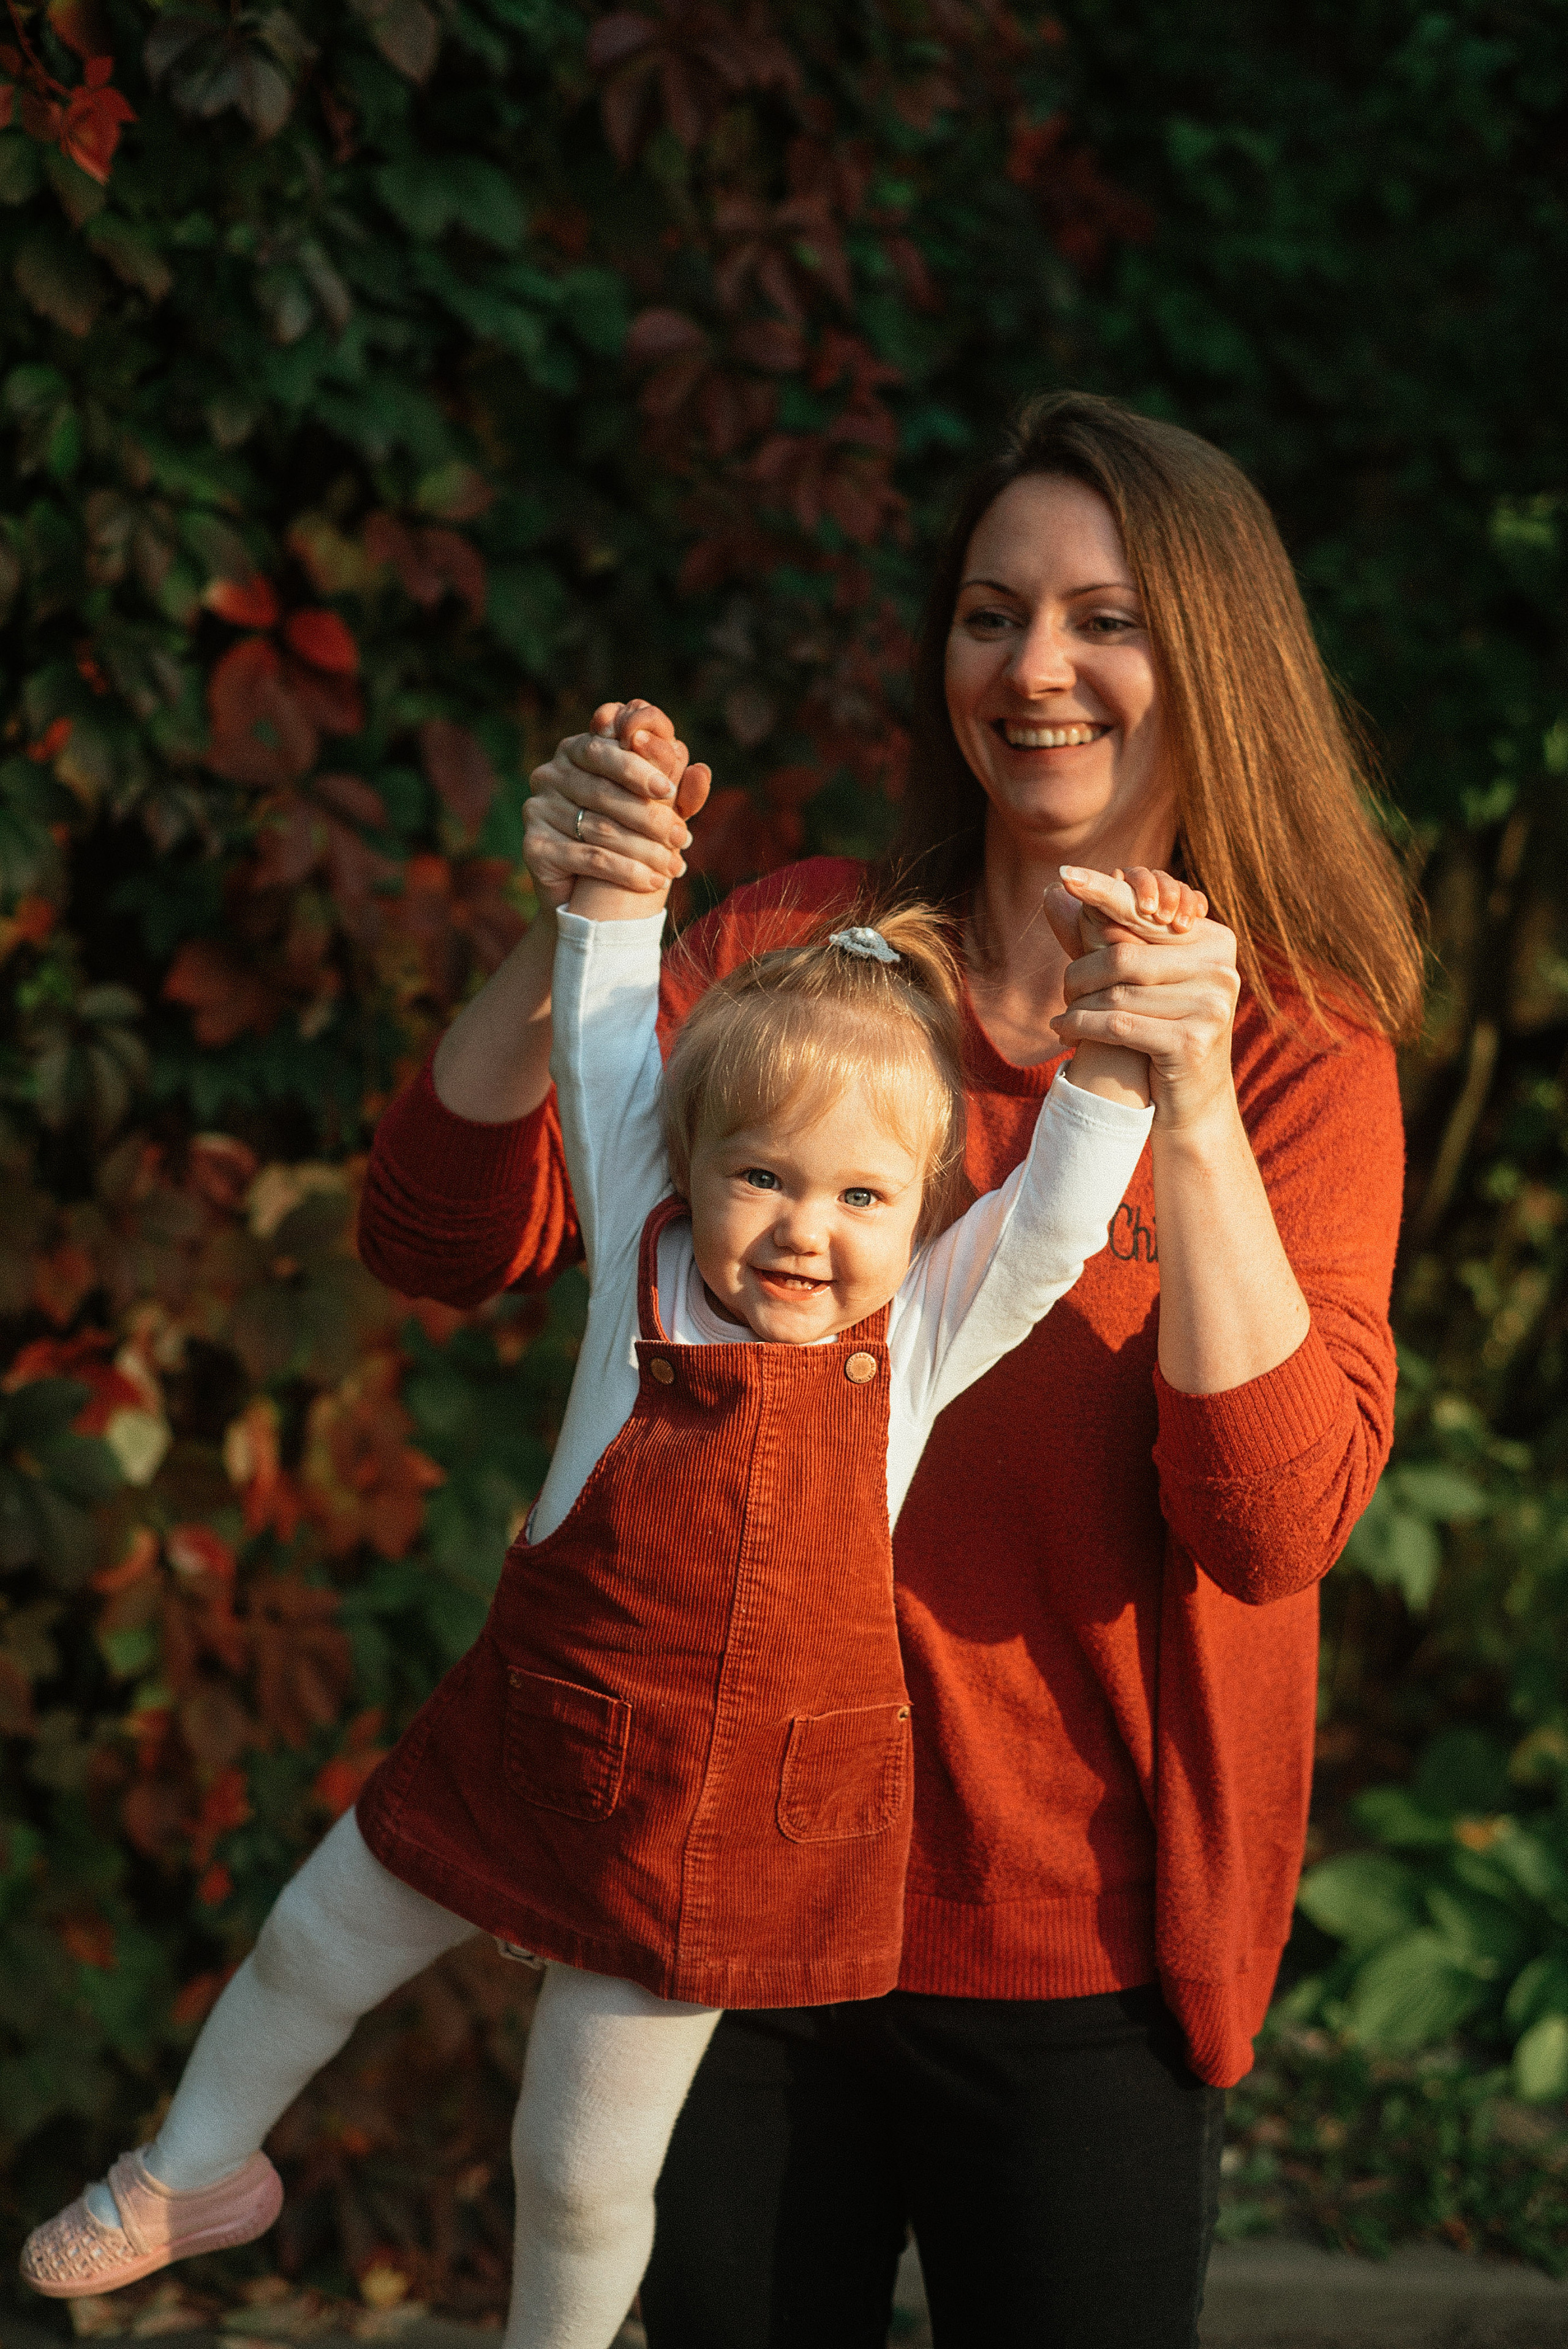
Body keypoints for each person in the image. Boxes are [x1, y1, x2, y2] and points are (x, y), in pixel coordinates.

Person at [353, 391, 1422, 2348]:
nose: (1035, 670)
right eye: (989, 612)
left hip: (1075, 1947)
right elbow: (442, 1237)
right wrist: (571, 928)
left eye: (1105, 619)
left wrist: (1179, 1100)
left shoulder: (1297, 1054)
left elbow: (1270, 1522)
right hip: (724, 1908)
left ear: (1216, 657)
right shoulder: (807, 953)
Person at [20, 820, 1199, 2339]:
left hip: (713, 1811)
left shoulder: (912, 1343)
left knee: (573, 2160)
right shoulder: (636, 1262)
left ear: (917, 1220)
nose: (800, 1230)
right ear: (688, 1164)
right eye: (762, 1176)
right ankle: (194, 2166)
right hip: (527, 1728)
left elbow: (1045, 1222)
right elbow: (596, 1053)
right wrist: (623, 892)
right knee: (313, 1938)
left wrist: (1110, 1047)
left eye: (858, 1200)